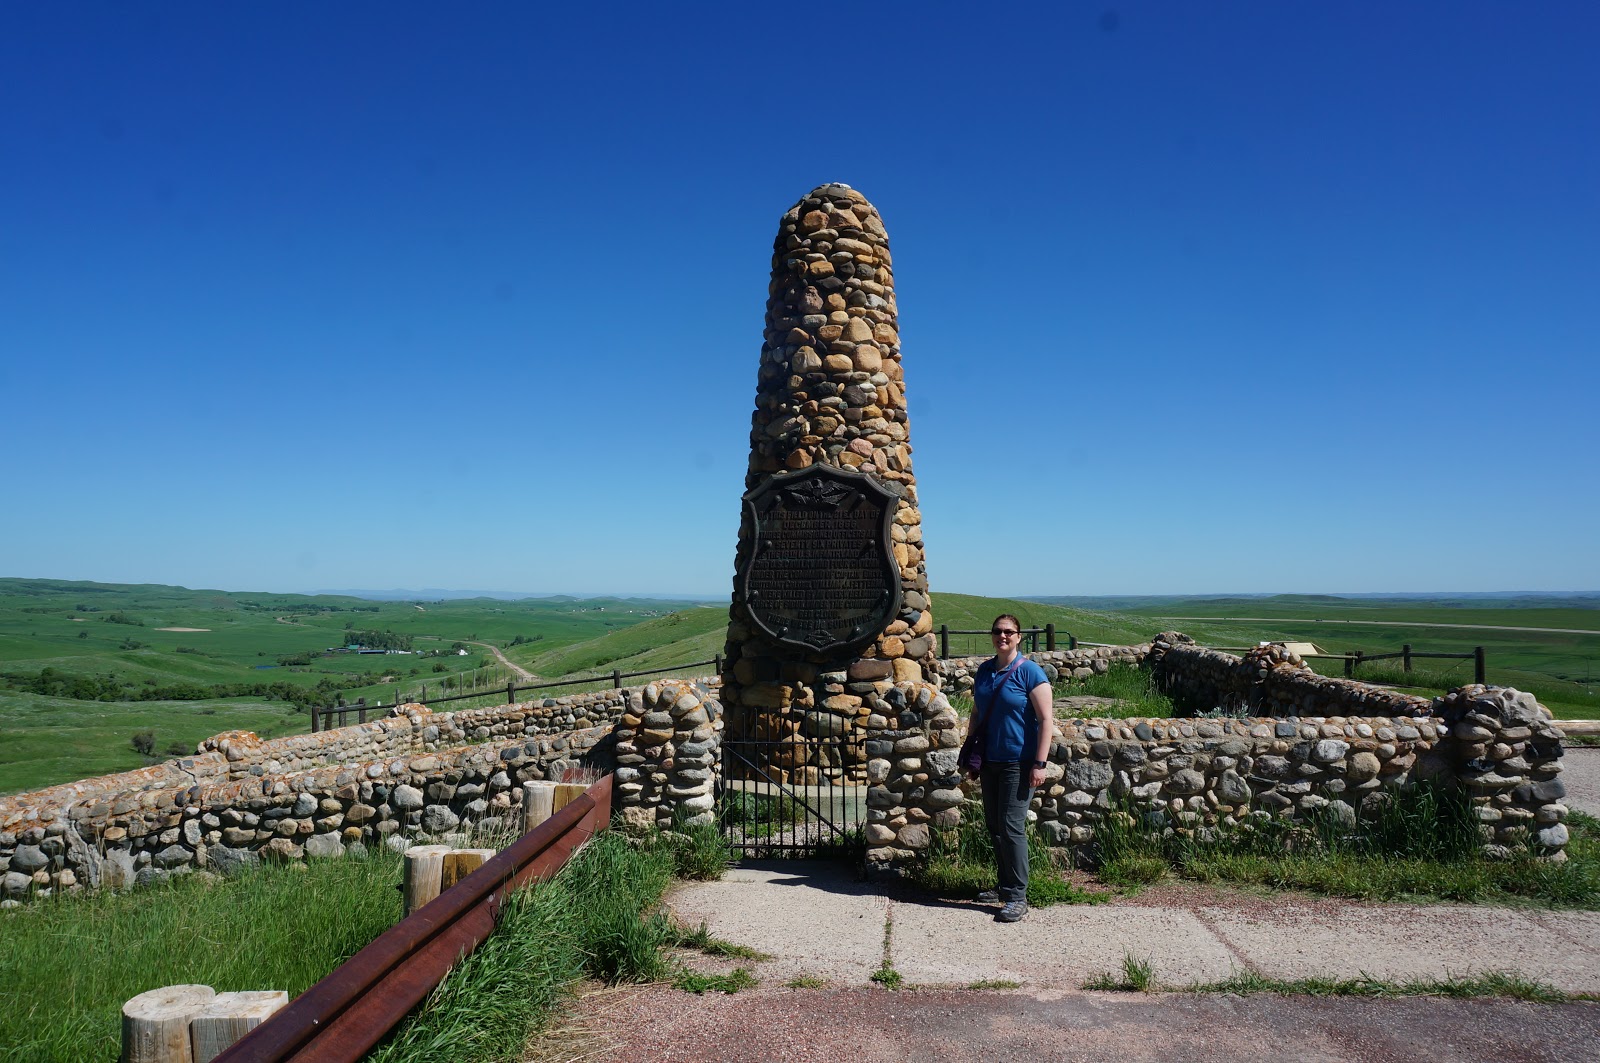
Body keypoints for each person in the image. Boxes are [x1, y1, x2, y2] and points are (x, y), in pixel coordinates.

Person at [968, 613, 1053, 923]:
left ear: (1019, 637)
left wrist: (1040, 764)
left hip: (1019, 762)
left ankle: (1018, 896)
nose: (1002, 636)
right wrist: (972, 755)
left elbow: (1046, 721)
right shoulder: (985, 671)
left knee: (1012, 827)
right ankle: (1004, 887)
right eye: (997, 631)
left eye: (1009, 632)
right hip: (989, 760)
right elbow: (977, 713)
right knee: (995, 826)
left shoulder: (1030, 672)